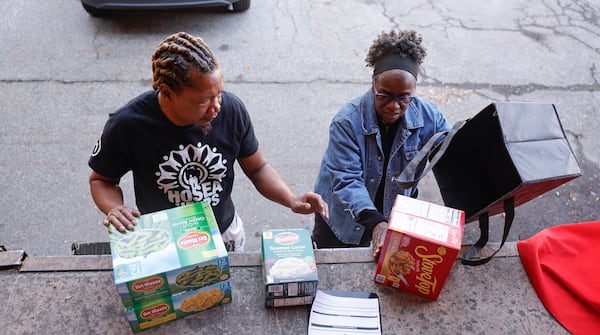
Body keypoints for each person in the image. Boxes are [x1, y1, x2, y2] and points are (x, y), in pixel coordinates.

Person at [89, 32, 328, 251]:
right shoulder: (127, 125)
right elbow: (102, 180)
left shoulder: (232, 110)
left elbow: (257, 168)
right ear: (167, 92)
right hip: (164, 239)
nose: (216, 107)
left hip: (223, 232)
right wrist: (115, 208)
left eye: (219, 94)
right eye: (203, 101)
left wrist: (291, 199)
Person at [312, 29, 451, 258]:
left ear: (413, 90)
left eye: (404, 97)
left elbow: (451, 151)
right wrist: (377, 223)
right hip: (342, 219)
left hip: (394, 214)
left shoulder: (430, 117)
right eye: (384, 94)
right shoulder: (346, 122)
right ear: (373, 83)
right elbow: (346, 180)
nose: (393, 106)